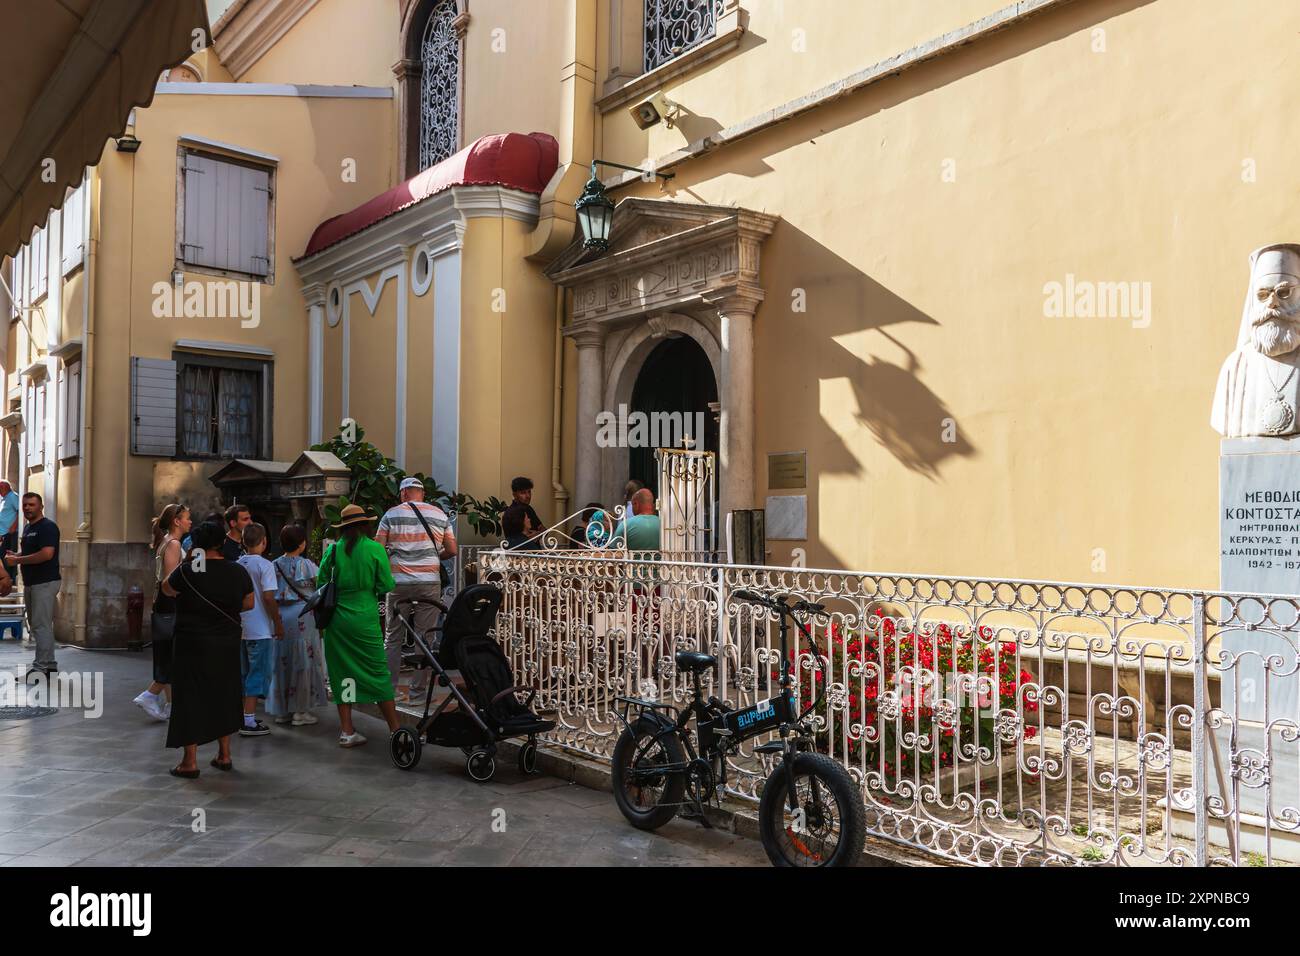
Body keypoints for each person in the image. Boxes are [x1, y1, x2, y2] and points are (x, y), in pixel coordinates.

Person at [162, 521, 254, 777]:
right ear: (223, 543)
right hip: (226, 642)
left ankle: (190, 761)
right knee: (224, 693)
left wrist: (190, 560)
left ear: (196, 545)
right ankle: (224, 754)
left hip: (191, 643)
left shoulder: (188, 570)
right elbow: (248, 603)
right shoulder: (237, 571)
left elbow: (167, 588)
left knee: (189, 697)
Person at [317, 504, 403, 747]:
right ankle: (395, 729)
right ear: (365, 525)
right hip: (365, 619)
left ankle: (347, 730)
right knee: (377, 672)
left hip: (337, 622)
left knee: (343, 673)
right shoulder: (375, 549)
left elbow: (322, 584)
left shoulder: (332, 551)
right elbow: (386, 584)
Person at [375, 476, 457, 701]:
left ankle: (389, 691)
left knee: (392, 637)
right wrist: (434, 556)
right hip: (429, 582)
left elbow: (378, 549)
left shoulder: (391, 514)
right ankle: (418, 693)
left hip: (398, 582)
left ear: (403, 493)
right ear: (422, 493)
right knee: (425, 637)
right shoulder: (439, 514)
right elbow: (452, 549)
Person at [133, 503, 191, 721]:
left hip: (163, 605)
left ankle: (170, 705)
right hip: (170, 605)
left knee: (169, 654)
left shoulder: (166, 542)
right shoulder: (174, 544)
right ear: (177, 521)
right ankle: (150, 694)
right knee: (172, 656)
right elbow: (171, 580)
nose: (190, 521)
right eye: (187, 517)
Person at [268, 524, 329, 725]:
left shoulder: (274, 565)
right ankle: (300, 711)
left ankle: (282, 710)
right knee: (304, 661)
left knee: (282, 661)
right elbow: (322, 586)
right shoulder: (307, 565)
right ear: (302, 544)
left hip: (280, 616)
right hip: (303, 615)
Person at [6, 493, 61, 679]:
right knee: (38, 625)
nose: (27, 508)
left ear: (41, 506)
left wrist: (18, 560)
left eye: (31, 504)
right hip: (32, 583)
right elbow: (32, 551)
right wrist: (17, 554)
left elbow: (46, 554)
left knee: (41, 626)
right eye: (24, 505)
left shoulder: (48, 527)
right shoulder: (29, 527)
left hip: (45, 582)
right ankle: (49, 666)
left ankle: (40, 669)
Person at [236, 523, 282, 737]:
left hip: (242, 627)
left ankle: (244, 715)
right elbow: (268, 597)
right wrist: (278, 622)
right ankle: (249, 721)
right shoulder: (265, 566)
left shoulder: (237, 564)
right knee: (257, 675)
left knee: (245, 674)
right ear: (264, 541)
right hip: (261, 628)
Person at [612, 487, 661, 553]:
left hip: (634, 562)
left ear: (636, 504)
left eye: (632, 505)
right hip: (660, 562)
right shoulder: (663, 525)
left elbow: (614, 552)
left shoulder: (626, 524)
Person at [0, 479, 19, 568]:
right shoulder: (4, 498)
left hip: (11, 533)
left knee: (9, 557)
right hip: (4, 534)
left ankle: (11, 578)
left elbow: (20, 511)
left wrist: (14, 526)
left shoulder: (12, 496)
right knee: (3, 556)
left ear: (5, 487)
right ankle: (8, 578)